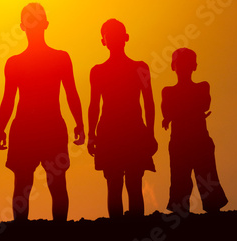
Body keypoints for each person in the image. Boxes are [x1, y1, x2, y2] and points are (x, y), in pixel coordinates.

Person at [0, 3, 85, 222]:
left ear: (44, 24)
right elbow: (8, 99)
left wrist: (80, 124)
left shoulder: (57, 58)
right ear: (24, 26)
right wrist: (1, 129)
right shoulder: (19, 62)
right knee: (31, 183)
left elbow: (71, 93)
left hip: (46, 126)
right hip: (33, 127)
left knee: (44, 183)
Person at [88, 19, 157, 218]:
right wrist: (92, 135)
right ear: (104, 41)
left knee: (133, 182)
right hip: (110, 132)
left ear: (125, 38)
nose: (114, 39)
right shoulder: (98, 71)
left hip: (133, 130)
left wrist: (150, 134)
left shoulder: (140, 68)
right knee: (115, 183)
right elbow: (94, 105)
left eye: (117, 35)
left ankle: (133, 226)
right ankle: (120, 228)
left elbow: (149, 103)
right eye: (110, 35)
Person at [162, 48, 228, 213]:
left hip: (198, 141)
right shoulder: (168, 91)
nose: (183, 67)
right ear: (173, 66)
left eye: (187, 63)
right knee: (180, 180)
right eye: (180, 63)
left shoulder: (202, 87)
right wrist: (189, 112)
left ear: (194, 66)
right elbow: (169, 111)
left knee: (206, 177)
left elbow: (203, 105)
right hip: (181, 142)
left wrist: (178, 114)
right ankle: (181, 213)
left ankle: (211, 213)